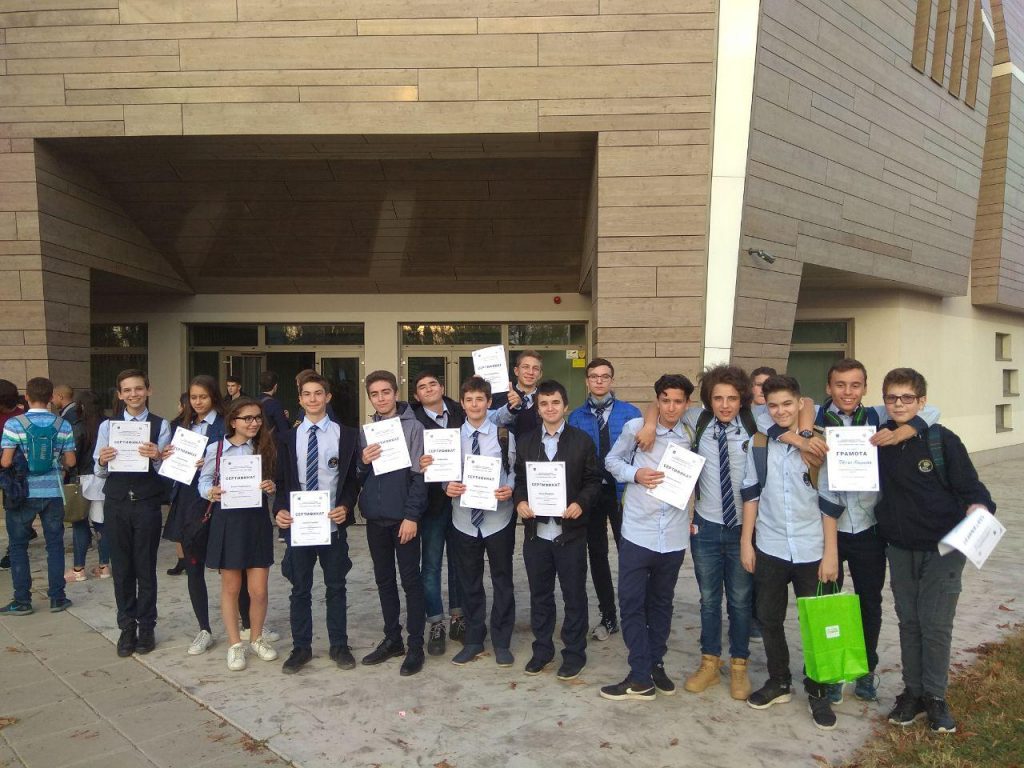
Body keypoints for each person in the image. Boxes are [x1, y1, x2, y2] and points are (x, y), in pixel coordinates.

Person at [813, 358, 940, 704]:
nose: (848, 392)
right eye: (840, 385)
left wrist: (902, 431)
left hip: (870, 528)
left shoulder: (877, 416)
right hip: (829, 529)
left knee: (869, 603)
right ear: (828, 387)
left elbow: (932, 411)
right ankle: (834, 670)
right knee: (830, 604)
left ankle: (865, 669)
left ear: (865, 388)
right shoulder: (814, 420)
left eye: (855, 385)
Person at [874, 368, 994, 734]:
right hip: (900, 547)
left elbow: (973, 489)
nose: (899, 404)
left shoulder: (943, 441)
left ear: (922, 402)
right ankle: (913, 693)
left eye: (907, 397)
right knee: (909, 622)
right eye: (892, 397)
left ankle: (936, 696)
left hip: (944, 548)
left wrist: (978, 507)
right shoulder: (878, 440)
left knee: (936, 624)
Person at [739, 375, 841, 731]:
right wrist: (747, 542)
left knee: (817, 621)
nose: (780, 411)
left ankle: (818, 690)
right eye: (773, 405)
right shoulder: (760, 442)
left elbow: (830, 500)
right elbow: (751, 492)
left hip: (813, 547)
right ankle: (779, 680)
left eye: (787, 404)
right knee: (769, 618)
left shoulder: (820, 443)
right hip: (770, 545)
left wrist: (831, 553)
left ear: (800, 403)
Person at [600, 374, 694, 701]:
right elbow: (611, 461)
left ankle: (655, 664)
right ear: (657, 400)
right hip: (638, 532)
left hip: (674, 536)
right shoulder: (636, 428)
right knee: (631, 602)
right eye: (665, 400)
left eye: (678, 401)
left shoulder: (691, 432)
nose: (671, 407)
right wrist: (635, 474)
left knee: (661, 604)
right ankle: (639, 674)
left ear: (687, 404)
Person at [513, 379, 602, 681]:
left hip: (570, 534)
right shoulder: (525, 442)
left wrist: (581, 503)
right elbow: (519, 480)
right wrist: (520, 501)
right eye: (544, 404)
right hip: (536, 534)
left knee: (574, 596)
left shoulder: (582, 441)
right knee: (540, 595)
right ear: (537, 409)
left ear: (565, 406)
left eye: (555, 403)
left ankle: (574, 653)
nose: (550, 408)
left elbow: (593, 481)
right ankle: (542, 650)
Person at [425, 376, 517, 667]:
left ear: (489, 403)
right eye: (469, 400)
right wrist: (446, 486)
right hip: (464, 520)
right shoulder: (450, 438)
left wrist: (510, 487)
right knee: (469, 582)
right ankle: (474, 638)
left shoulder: (504, 435)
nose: (475, 405)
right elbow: (443, 474)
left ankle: (502, 641)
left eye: (480, 399)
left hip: (498, 518)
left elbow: (515, 469)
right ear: (462, 404)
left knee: (502, 580)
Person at [681, 365, 758, 700]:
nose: (725, 405)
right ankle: (709, 662)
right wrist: (652, 422)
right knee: (709, 600)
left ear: (742, 399)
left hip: (744, 528)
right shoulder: (697, 421)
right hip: (707, 527)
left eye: (732, 398)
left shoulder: (756, 424)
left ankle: (739, 665)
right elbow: (657, 406)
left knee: (740, 600)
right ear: (708, 400)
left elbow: (805, 405)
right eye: (718, 398)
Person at [274, 373, 360, 674]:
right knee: (300, 589)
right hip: (299, 527)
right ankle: (301, 648)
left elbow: (351, 480)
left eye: (318, 393)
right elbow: (281, 482)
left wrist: (346, 506)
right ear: (299, 399)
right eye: (307, 394)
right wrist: (279, 510)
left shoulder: (346, 435)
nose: (313, 399)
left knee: (336, 587)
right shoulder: (287, 438)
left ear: (328, 397)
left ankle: (339, 645)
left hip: (332, 526)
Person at [93, 369, 172, 656]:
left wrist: (157, 458)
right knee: (122, 568)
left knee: (145, 568)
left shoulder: (161, 425)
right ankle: (127, 627)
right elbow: (99, 470)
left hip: (147, 503)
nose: (133, 394)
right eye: (127, 390)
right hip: (116, 504)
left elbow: (167, 472)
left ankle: (147, 626)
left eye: (138, 388)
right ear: (119, 394)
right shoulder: (108, 426)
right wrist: (103, 461)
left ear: (148, 390)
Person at [200, 397, 282, 671]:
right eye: (247, 418)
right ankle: (235, 644)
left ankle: (256, 637)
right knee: (231, 588)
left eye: (258, 417)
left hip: (256, 520)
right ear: (233, 421)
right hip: (228, 521)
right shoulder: (216, 449)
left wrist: (271, 486)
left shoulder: (265, 447)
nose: (254, 423)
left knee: (258, 590)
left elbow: (275, 482)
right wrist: (210, 491)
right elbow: (203, 481)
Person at [358, 370, 428, 676]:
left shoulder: (414, 427)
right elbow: (360, 476)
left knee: (411, 582)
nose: (381, 398)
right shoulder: (367, 431)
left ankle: (415, 645)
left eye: (386, 392)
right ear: (370, 398)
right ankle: (392, 639)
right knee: (384, 580)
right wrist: (362, 461)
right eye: (374, 394)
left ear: (395, 393)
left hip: (404, 520)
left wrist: (411, 516)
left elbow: (419, 476)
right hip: (376, 519)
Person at [568, 358, 640, 642]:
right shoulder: (576, 417)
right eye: (594, 376)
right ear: (587, 381)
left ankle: (635, 614)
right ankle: (608, 615)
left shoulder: (631, 413)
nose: (599, 381)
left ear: (612, 380)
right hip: (592, 495)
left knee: (630, 555)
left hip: (624, 493)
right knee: (597, 555)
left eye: (604, 376)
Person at [161, 376, 229, 656]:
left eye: (203, 396)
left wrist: (212, 462)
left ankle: (247, 624)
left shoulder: (226, 424)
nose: (198, 402)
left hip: (218, 499)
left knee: (231, 565)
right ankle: (204, 629)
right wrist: (165, 457)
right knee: (193, 567)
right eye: (193, 397)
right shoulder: (180, 425)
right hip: (188, 499)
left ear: (214, 397)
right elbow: (167, 465)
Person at [0, 377, 76, 616]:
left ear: (26, 397)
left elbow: (6, 461)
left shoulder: (14, 424)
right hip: (53, 492)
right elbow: (71, 461)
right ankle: (58, 598)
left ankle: (22, 600)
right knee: (55, 545)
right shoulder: (63, 424)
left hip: (22, 493)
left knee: (18, 546)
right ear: (51, 397)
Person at [410, 369, 467, 654]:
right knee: (431, 565)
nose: (429, 388)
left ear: (442, 387)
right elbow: (408, 463)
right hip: (431, 504)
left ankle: (458, 618)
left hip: (463, 501)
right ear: (417, 395)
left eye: (433, 383)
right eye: (422, 386)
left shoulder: (461, 411)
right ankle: (435, 622)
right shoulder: (412, 422)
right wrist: (417, 462)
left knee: (459, 563)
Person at [66, 390, 111, 581]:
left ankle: (79, 570)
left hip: (82, 479)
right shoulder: (109, 425)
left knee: (80, 524)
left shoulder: (78, 426)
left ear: (81, 406)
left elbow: (71, 458)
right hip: (104, 478)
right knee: (102, 524)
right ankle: (104, 567)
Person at [0, 380, 27, 571]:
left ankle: (14, 549)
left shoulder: (20, 418)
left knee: (14, 509)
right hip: (8, 471)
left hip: (13, 471)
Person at [492, 350, 544, 437]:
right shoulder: (500, 397)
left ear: (540, 374)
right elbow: (490, 422)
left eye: (535, 368)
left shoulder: (546, 399)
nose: (530, 372)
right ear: (516, 371)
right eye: (525, 367)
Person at [258, 370, 291, 436]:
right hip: (270, 440)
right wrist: (286, 419)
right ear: (275, 386)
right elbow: (284, 430)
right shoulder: (275, 404)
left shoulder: (253, 401)